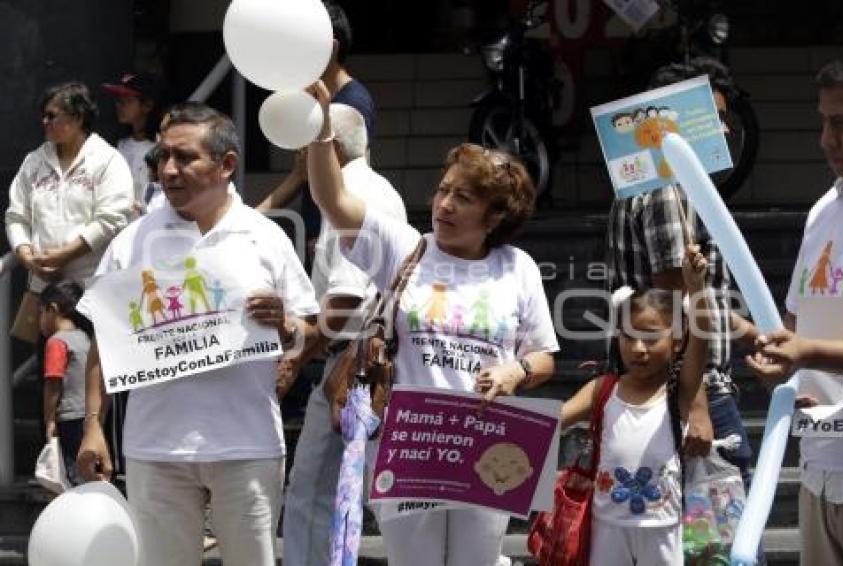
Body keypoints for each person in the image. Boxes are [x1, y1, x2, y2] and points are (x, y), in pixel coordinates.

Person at [306, 79, 559, 565]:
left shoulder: (517, 267)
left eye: (463, 198)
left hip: (486, 445)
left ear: (495, 214)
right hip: (409, 444)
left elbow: (543, 357)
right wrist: (320, 135)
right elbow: (333, 200)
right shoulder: (404, 246)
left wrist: (516, 372)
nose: (444, 205)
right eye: (444, 191)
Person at [75, 102, 320, 566]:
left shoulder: (266, 237)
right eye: (162, 157)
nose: (169, 170)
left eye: (185, 158)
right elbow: (104, 342)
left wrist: (286, 323)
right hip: (155, 447)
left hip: (247, 444)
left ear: (227, 165)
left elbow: (308, 333)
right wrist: (93, 426)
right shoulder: (133, 240)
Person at [606, 58, 754, 478]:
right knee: (718, 536)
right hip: (688, 392)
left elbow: (694, 296)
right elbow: (676, 306)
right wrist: (699, 407)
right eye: (716, 119)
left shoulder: (649, 187)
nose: (726, 132)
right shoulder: (668, 191)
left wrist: (755, 336)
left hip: (673, 391)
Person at [280, 103, 407, 566]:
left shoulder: (350, 196)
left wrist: (296, 352)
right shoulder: (381, 189)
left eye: (304, 150)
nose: (299, 162)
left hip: (355, 367)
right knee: (377, 492)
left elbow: (345, 303)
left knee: (317, 490)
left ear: (323, 148)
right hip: (368, 361)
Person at [745, 56, 843, 565]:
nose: (827, 140)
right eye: (824, 121)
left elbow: (806, 345)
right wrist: (770, 351)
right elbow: (794, 329)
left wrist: (805, 350)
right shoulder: (822, 212)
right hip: (820, 469)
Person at [561, 246, 709, 565]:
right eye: (629, 337)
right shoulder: (602, 389)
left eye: (652, 338)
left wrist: (696, 289)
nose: (639, 348)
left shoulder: (679, 391)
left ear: (677, 341)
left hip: (664, 529)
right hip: (606, 529)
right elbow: (552, 422)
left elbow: (703, 335)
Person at [257, 0, 376, 251]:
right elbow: (303, 174)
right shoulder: (314, 99)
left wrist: (329, 240)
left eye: (302, 45)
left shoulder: (351, 104)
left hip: (332, 243)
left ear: (331, 48)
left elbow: (348, 181)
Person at [5, 81, 134, 292]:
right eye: (43, 116)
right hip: (42, 285)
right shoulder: (34, 162)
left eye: (52, 115)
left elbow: (111, 219)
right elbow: (16, 217)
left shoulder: (107, 160)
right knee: (26, 327)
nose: (44, 121)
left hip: (92, 286)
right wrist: (27, 257)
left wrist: (64, 255)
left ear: (78, 117)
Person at [39, 279, 92, 486]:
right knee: (88, 469)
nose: (40, 320)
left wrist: (49, 419)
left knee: (72, 472)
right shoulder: (85, 338)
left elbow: (53, 384)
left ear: (52, 309)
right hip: (90, 415)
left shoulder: (56, 342)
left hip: (70, 417)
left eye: (41, 313)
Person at [102, 72, 164, 213]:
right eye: (118, 100)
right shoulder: (119, 145)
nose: (119, 105)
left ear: (147, 105)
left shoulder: (162, 147)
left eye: (127, 101)